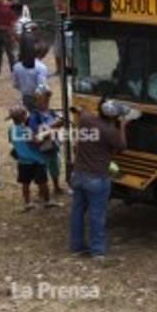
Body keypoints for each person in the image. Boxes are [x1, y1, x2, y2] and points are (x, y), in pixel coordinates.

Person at [68, 103, 128, 259]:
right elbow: (122, 146)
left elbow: (81, 110)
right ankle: (97, 251)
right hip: (97, 177)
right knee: (97, 214)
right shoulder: (110, 131)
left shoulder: (86, 119)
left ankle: (77, 247)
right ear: (114, 117)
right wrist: (123, 125)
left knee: (77, 212)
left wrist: (80, 109)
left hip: (78, 173)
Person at [30, 90, 65, 205]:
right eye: (42, 101)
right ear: (36, 103)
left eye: (46, 101)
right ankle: (42, 191)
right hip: (42, 148)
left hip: (53, 145)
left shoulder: (51, 113)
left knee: (55, 167)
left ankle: (56, 186)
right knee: (41, 170)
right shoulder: (34, 117)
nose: (45, 103)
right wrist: (53, 126)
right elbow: (35, 133)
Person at [11, 46, 49, 112]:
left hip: (26, 97)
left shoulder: (16, 66)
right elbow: (41, 85)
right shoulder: (41, 67)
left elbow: (15, 84)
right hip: (39, 97)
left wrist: (25, 89)